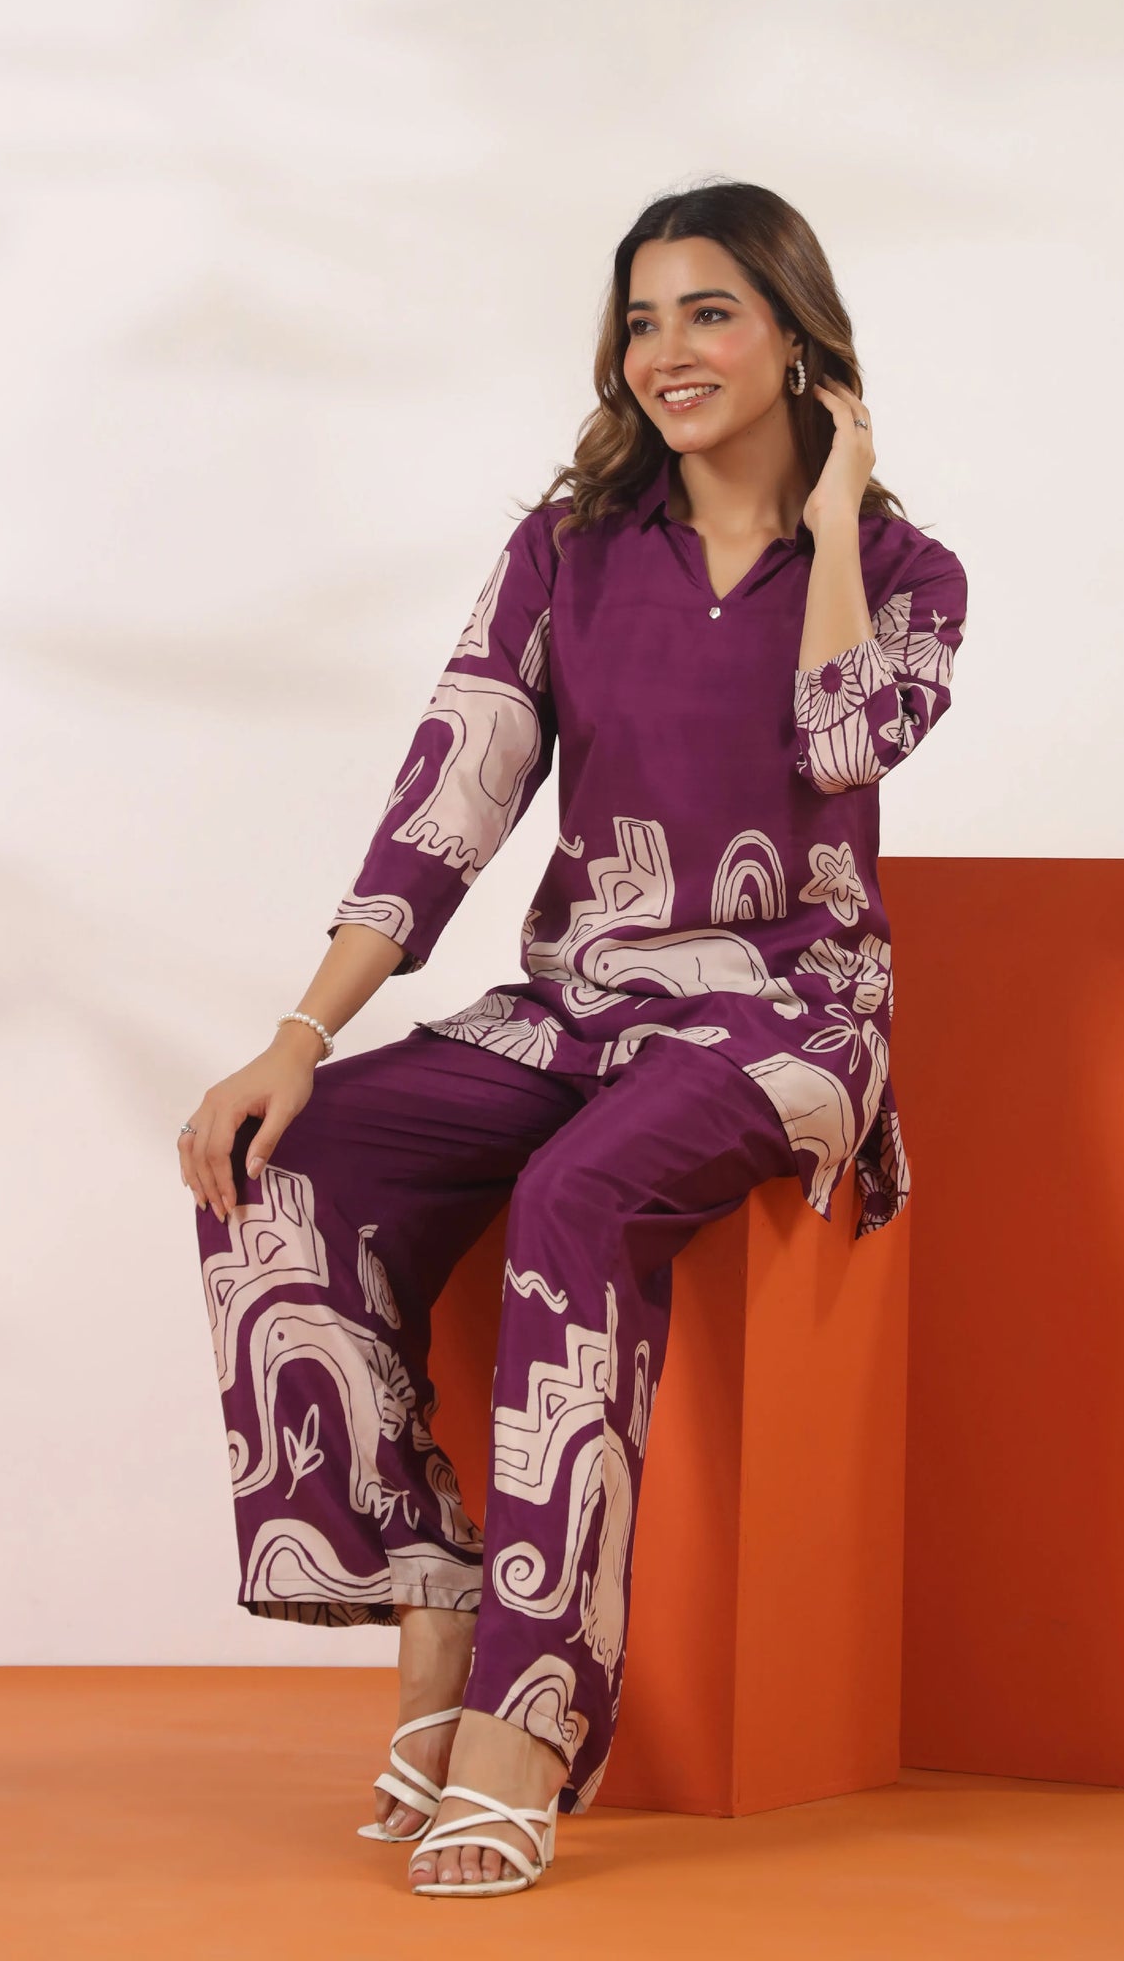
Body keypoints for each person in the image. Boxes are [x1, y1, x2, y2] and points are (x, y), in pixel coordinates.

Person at [179, 179, 968, 1898]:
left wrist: (833, 517)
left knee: (575, 1200)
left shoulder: (909, 575)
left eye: (708, 313)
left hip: (792, 1021)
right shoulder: (568, 550)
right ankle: (433, 1584)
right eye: (639, 319)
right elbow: (450, 800)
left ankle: (529, 1720)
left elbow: (846, 745)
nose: (664, 352)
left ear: (796, 337)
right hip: (580, 1004)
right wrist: (298, 1034)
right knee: (285, 1161)